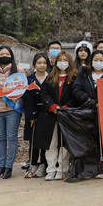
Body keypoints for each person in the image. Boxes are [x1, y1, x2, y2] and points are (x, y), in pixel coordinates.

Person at [71, 49, 103, 180]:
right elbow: (76, 89)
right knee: (89, 140)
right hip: (88, 110)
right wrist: (89, 100)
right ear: (91, 61)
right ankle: (89, 168)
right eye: (96, 60)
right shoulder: (84, 72)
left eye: (101, 60)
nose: (98, 62)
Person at [0, 46, 25, 179]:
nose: (5, 56)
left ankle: (9, 167)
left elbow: (23, 88)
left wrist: (15, 96)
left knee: (12, 138)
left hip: (12, 110)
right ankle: (0, 166)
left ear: (11, 56)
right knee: (0, 138)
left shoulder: (18, 71)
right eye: (2, 54)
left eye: (7, 53)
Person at [37, 51, 78, 181]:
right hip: (50, 114)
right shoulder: (50, 78)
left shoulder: (74, 77)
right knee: (51, 143)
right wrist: (52, 106)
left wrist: (66, 107)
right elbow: (43, 94)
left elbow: (76, 95)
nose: (62, 63)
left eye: (65, 60)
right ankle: (51, 169)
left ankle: (62, 168)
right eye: (60, 60)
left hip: (67, 115)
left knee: (64, 144)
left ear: (70, 62)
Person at [22, 52, 50, 178]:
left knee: (44, 140)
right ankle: (33, 164)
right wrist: (31, 116)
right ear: (34, 64)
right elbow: (26, 98)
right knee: (33, 140)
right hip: (33, 114)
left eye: (44, 63)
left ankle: (43, 164)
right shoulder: (28, 79)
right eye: (39, 63)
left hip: (47, 114)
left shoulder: (51, 78)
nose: (42, 65)